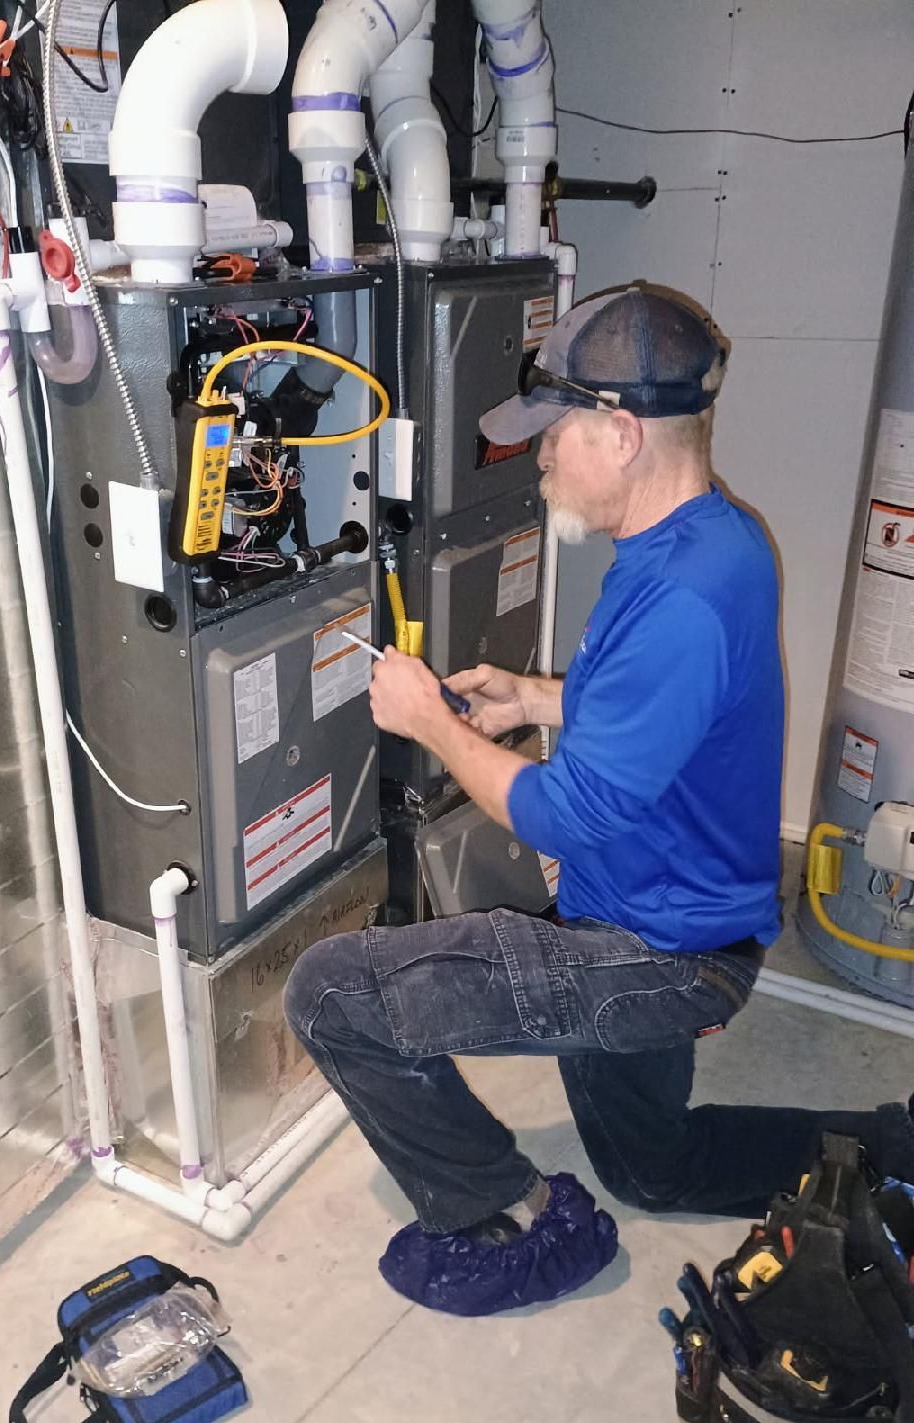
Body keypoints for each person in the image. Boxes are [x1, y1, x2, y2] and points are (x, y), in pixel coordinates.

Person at [283, 286, 914, 1314]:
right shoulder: (712, 541)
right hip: (680, 926)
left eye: (553, 431)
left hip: (654, 955)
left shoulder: (681, 597)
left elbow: (563, 816)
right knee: (651, 1170)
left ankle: (515, 1221)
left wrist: (429, 723)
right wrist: (536, 698)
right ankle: (896, 1153)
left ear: (621, 434)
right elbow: (661, 711)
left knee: (329, 993)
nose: (538, 456)